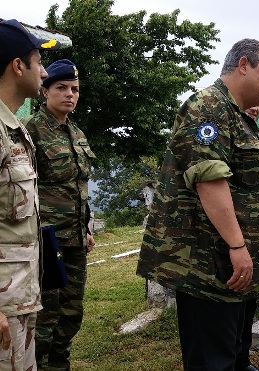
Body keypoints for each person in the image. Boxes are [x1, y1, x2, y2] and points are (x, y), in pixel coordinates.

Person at [136, 39, 259, 371]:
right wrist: (237, 245)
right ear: (243, 65)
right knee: (212, 359)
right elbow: (209, 180)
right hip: (208, 263)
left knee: (235, 351)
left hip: (231, 264)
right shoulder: (207, 107)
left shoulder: (237, 115)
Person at [23, 59, 96, 370]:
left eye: (75, 89)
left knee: (71, 314)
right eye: (62, 88)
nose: (70, 94)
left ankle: (59, 365)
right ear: (44, 90)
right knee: (46, 316)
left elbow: (79, 185)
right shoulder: (31, 131)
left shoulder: (76, 132)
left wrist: (87, 227)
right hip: (47, 240)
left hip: (76, 238)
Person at [0, 18, 60, 371]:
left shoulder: (14, 126)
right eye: (39, 61)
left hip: (19, 297)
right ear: (18, 65)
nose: (44, 71)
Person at [238, 104, 259, 371]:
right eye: (250, 103)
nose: (256, 108)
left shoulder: (255, 135)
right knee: (233, 306)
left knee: (248, 303)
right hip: (232, 238)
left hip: (255, 237)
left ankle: (242, 359)